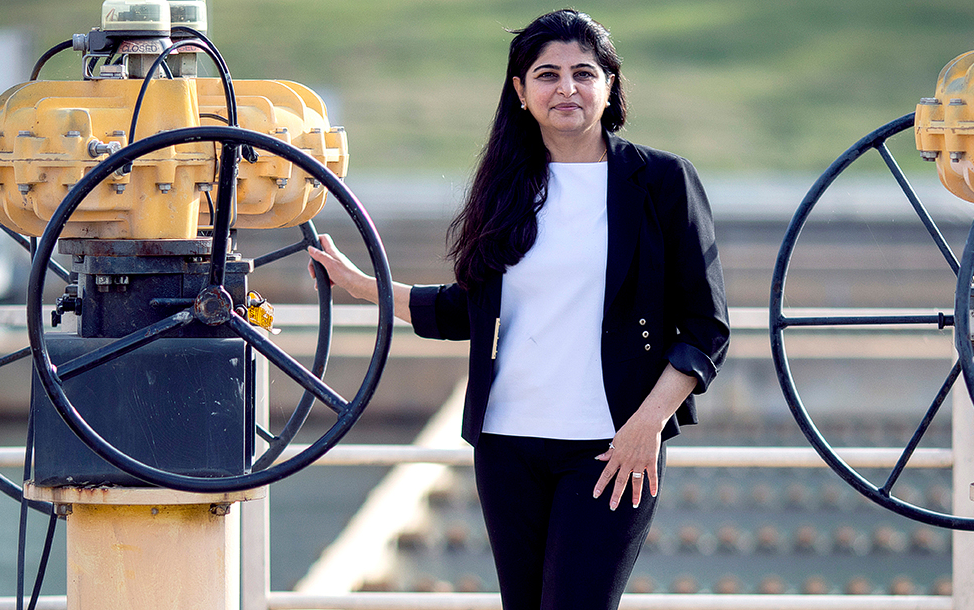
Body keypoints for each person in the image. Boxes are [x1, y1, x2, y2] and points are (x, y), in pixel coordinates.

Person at [308, 9, 727, 608]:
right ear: (520, 92)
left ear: (610, 88)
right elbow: (464, 313)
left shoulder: (660, 181)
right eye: (547, 74)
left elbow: (706, 329)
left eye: (584, 74)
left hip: (612, 447)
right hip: (507, 446)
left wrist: (647, 426)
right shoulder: (506, 187)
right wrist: (362, 284)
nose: (567, 88)